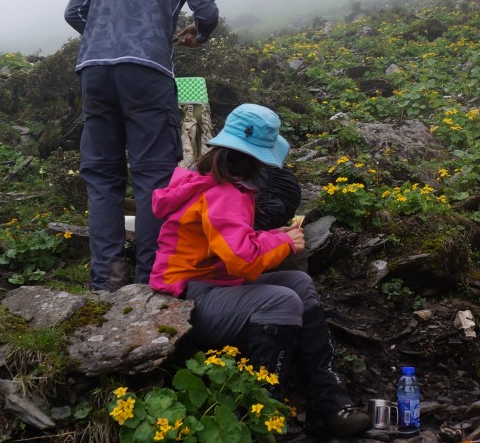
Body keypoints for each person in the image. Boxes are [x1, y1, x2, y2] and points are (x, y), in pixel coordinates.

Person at [149, 104, 372, 439]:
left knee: (297, 282)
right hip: (189, 297)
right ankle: (262, 416)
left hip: (213, 286)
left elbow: (230, 245)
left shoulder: (208, 181)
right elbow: (240, 258)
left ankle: (327, 403)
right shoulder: (225, 194)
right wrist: (284, 243)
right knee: (281, 300)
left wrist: (274, 237)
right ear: (252, 160)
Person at [64, 0, 219, 292]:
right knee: (153, 177)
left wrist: (103, 38)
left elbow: (73, 12)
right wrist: (201, 33)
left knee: (102, 178)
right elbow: (206, 12)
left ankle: (105, 284)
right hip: (147, 72)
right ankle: (149, 283)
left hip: (93, 71)